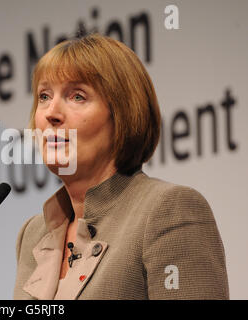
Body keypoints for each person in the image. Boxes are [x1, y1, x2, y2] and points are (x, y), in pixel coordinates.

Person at [13, 33, 229, 300]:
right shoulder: (33, 234)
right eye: (44, 96)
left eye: (77, 96)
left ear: (123, 114)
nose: (51, 113)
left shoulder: (168, 211)